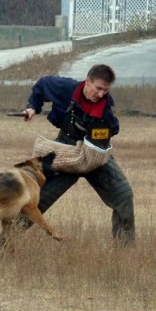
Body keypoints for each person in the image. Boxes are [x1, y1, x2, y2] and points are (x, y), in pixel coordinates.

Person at [21, 64, 135, 244]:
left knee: (123, 196)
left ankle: (125, 250)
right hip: (66, 149)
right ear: (87, 82)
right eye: (98, 88)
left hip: (95, 156)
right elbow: (42, 85)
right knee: (38, 200)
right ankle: (0, 243)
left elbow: (112, 131)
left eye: (106, 90)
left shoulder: (105, 111)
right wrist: (32, 107)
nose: (101, 95)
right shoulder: (66, 88)